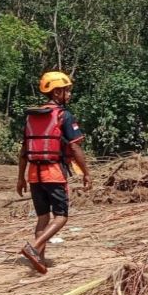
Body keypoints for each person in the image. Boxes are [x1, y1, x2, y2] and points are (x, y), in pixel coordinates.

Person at [17, 71, 91, 274]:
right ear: (56, 93)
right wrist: (86, 173)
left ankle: (37, 259)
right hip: (53, 173)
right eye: (66, 90)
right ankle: (33, 247)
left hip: (34, 174)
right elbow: (75, 148)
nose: (68, 94)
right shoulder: (63, 115)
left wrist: (20, 179)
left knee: (42, 217)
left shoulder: (33, 117)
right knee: (61, 217)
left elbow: (24, 151)